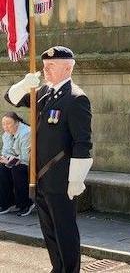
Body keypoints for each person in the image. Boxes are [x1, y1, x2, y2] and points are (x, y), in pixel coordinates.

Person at [5, 46, 93, 273]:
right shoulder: (43, 93)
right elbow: (10, 98)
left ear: (67, 67)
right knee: (49, 231)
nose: (46, 69)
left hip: (61, 177)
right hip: (40, 177)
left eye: (51, 66)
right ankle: (58, 268)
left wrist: (76, 180)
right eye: (45, 65)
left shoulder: (76, 98)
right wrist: (25, 84)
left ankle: (70, 270)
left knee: (65, 231)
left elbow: (82, 143)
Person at [0, 112, 35, 216]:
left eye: (8, 123)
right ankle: (7, 203)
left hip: (30, 163)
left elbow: (25, 158)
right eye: (3, 124)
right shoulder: (6, 134)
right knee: (2, 169)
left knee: (17, 170)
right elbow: (6, 152)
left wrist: (9, 161)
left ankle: (26, 204)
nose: (5, 126)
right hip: (16, 161)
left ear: (17, 123)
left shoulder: (26, 133)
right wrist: (5, 159)